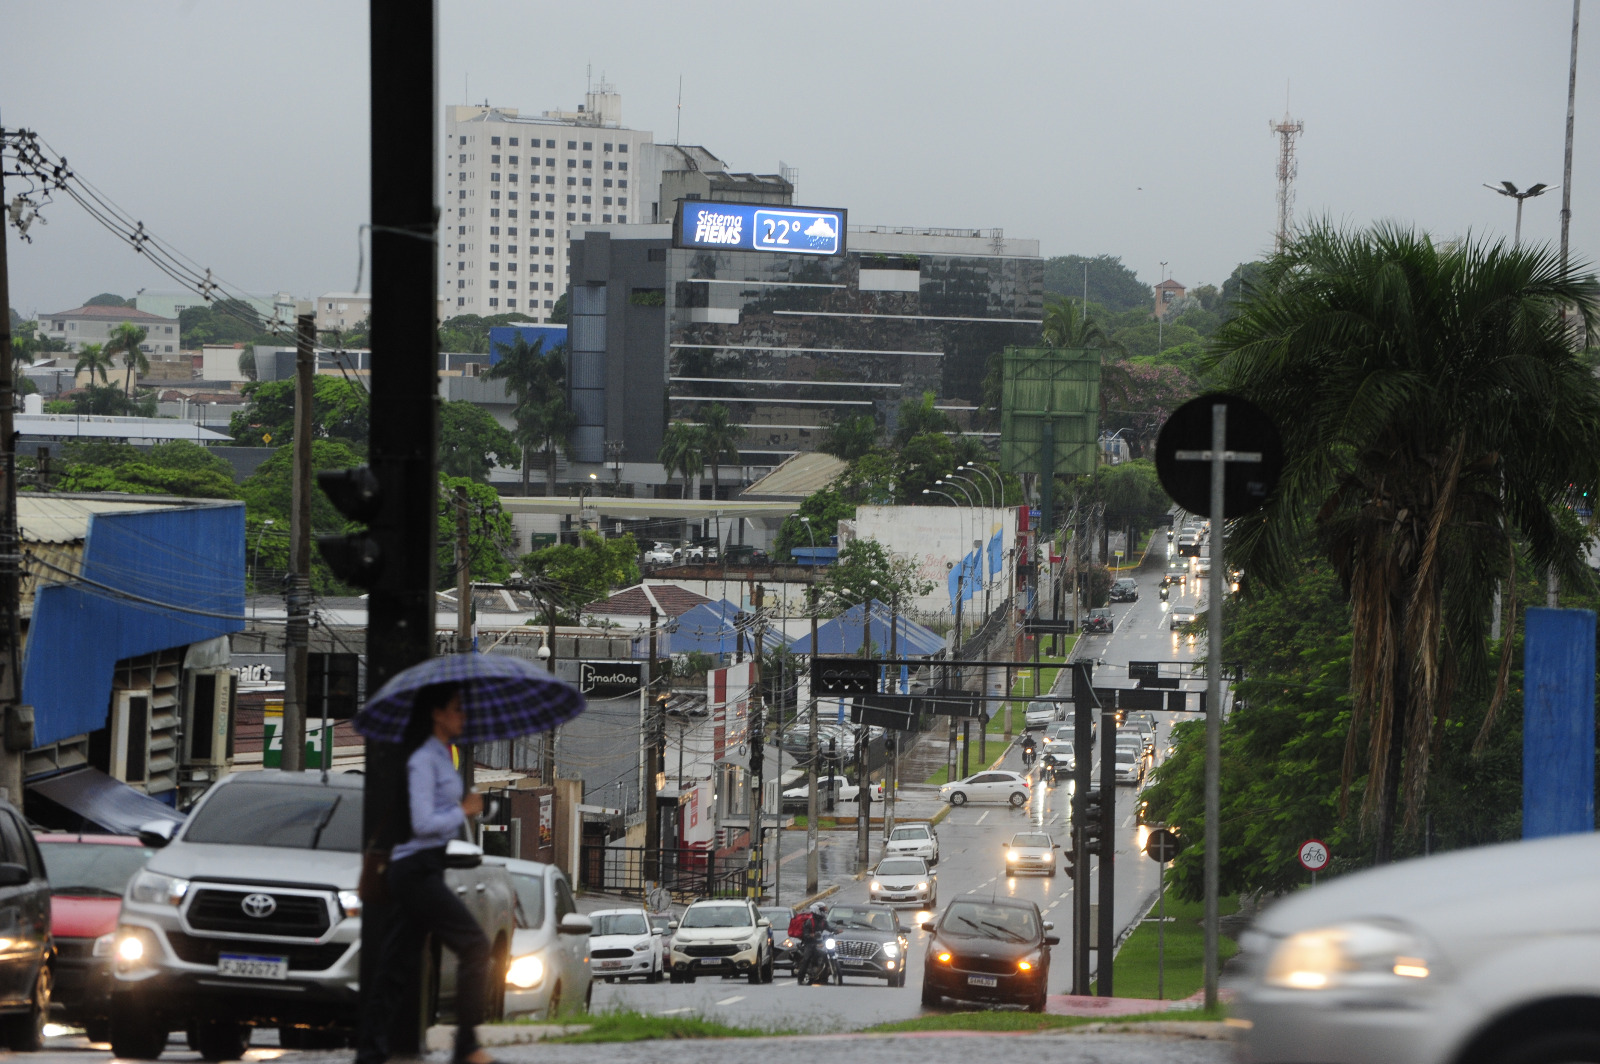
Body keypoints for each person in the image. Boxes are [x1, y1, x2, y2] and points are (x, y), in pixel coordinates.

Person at [356, 683, 493, 1064]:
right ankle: (466, 1046)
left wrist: (464, 809)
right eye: (456, 708)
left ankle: (370, 1050)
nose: (463, 715)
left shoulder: (443, 755)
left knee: (396, 965)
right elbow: (422, 823)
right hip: (415, 869)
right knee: (475, 945)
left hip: (426, 866)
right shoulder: (423, 760)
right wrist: (463, 810)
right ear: (436, 713)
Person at [791, 902, 830, 983]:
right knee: (807, 958)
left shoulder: (823, 921)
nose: (824, 911)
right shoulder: (809, 921)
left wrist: (836, 930)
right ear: (817, 910)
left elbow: (829, 927)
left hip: (819, 943)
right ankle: (800, 978)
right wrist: (812, 935)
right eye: (822, 910)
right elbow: (806, 934)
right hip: (809, 943)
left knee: (825, 955)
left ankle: (824, 977)